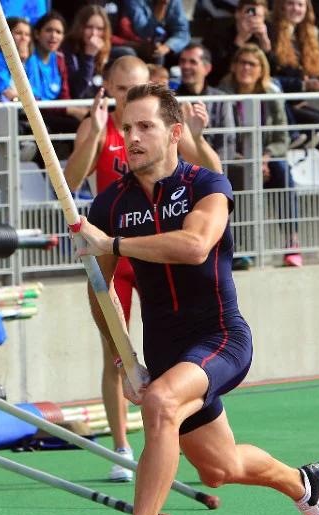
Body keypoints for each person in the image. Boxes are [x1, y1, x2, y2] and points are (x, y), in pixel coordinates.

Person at [72, 83, 319, 515]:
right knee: (219, 467)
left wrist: (116, 242)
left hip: (220, 340)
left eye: (145, 126)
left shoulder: (206, 185)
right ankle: (303, 485)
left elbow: (194, 246)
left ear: (173, 132)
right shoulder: (111, 203)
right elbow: (99, 290)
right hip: (164, 350)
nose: (133, 137)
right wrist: (124, 361)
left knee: (163, 404)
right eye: (127, 128)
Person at [63, 55, 223, 482]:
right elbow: (70, 180)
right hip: (113, 248)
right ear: (109, 90)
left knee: (169, 385)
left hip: (154, 249)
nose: (126, 99)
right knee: (114, 351)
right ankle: (120, 446)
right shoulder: (103, 127)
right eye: (119, 89)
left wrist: (199, 137)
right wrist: (94, 133)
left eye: (135, 86)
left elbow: (210, 174)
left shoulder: (158, 128)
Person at [219, 44, 302, 265]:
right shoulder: (223, 93)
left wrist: (264, 157)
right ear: (234, 67)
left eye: (251, 64)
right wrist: (249, 162)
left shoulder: (272, 96)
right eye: (242, 63)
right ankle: (245, 249)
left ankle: (291, 242)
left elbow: (282, 138)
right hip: (234, 159)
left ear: (261, 69)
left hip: (266, 158)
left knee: (282, 172)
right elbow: (222, 138)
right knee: (239, 176)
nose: (246, 68)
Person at [269, 0, 319, 150]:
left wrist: (312, 83)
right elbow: (273, 76)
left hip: (297, 100)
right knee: (318, 123)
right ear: (281, 6)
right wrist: (303, 85)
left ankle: (305, 156)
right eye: (291, 4)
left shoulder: (306, 34)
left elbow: (307, 71)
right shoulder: (272, 33)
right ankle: (293, 154)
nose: (296, 9)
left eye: (300, 5)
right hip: (280, 102)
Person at [60, 3, 112, 100]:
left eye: (99, 29)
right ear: (80, 27)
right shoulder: (67, 49)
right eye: (89, 27)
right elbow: (77, 92)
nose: (94, 33)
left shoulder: (106, 50)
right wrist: (89, 57)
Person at [121, 0, 191, 66]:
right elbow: (145, 33)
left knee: (187, 53)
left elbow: (183, 32)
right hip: (137, 43)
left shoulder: (173, 1)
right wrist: (160, 8)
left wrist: (167, 47)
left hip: (163, 44)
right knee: (156, 52)